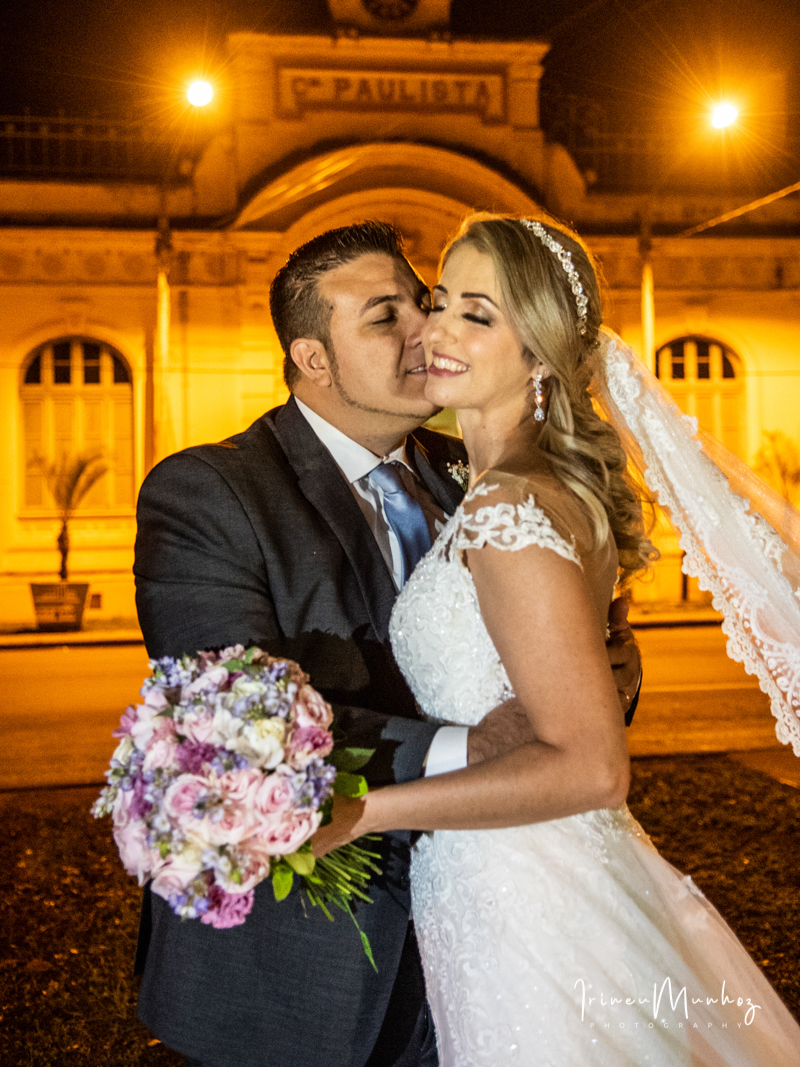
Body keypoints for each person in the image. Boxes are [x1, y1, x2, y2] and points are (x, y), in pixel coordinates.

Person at [132, 220, 641, 1067]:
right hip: (305, 962)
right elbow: (230, 715)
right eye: (385, 316)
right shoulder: (210, 492)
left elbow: (561, 682)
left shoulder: (482, 469)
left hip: (497, 919)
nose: (426, 331)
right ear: (313, 358)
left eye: (426, 303)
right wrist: (467, 746)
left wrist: (608, 672)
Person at [314, 214, 800, 1066]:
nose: (437, 330)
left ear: (539, 355)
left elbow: (591, 767)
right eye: (440, 301)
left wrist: (365, 812)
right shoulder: (511, 487)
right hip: (517, 881)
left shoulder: (508, 507)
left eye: (479, 314)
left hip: (534, 900)